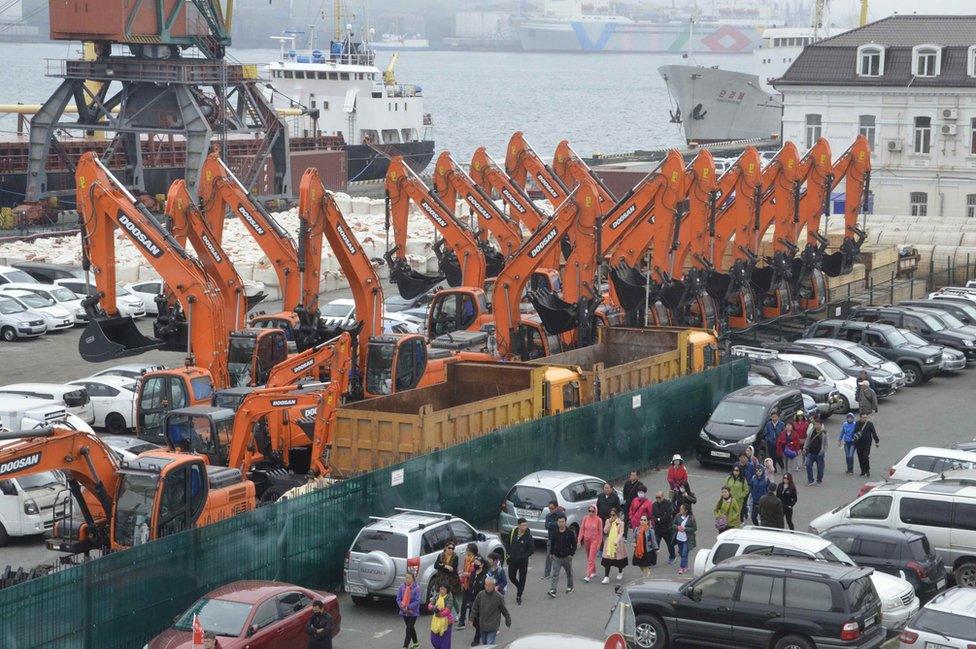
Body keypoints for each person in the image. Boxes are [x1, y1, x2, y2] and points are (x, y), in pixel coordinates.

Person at [470, 577, 511, 646]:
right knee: (485, 643)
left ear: (493, 585)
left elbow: (504, 610)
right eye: (486, 585)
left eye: (489, 585)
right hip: (483, 625)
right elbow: (475, 607)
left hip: (493, 626)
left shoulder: (498, 597)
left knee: (490, 644)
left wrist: (508, 620)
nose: (487, 587)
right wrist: (471, 618)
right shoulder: (480, 595)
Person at [547, 514, 577, 597]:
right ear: (557, 522)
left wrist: (571, 554)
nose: (561, 523)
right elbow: (552, 544)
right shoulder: (555, 532)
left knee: (569, 572)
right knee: (555, 574)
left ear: (565, 522)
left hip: (567, 556)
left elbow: (574, 545)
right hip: (556, 557)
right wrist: (551, 553)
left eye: (563, 522)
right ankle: (553, 590)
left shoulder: (570, 533)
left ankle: (570, 586)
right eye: (559, 522)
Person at [505, 519, 533, 605]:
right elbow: (507, 543)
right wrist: (508, 553)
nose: (525, 527)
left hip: (523, 562)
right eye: (523, 525)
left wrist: (524, 556)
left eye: (526, 525)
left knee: (522, 578)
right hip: (513, 560)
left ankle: (519, 596)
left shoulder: (528, 536)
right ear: (518, 525)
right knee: (511, 576)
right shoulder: (513, 532)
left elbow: (531, 550)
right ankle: (519, 587)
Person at [458, 556, 486, 636]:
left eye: (477, 563)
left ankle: (477, 637)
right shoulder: (473, 573)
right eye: (474, 563)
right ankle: (481, 629)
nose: (475, 564)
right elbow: (471, 586)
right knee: (472, 619)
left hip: (480, 600)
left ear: (481, 565)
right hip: (472, 599)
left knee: (477, 618)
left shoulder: (484, 575)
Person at [601, 507, 629, 583]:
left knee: (619, 559)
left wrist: (616, 541)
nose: (612, 516)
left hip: (618, 543)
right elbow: (605, 531)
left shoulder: (621, 523)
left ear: (617, 515)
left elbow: (621, 533)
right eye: (611, 515)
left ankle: (620, 571)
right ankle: (606, 577)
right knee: (607, 560)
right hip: (609, 542)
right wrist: (609, 523)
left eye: (614, 515)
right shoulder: (608, 521)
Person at [578, 505, 603, 582]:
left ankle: (588, 576)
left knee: (591, 558)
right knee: (589, 557)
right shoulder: (585, 518)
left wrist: (599, 544)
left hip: (594, 541)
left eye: (593, 511)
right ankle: (594, 571)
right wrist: (579, 540)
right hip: (586, 540)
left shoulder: (599, 520)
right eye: (589, 511)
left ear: (596, 511)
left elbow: (600, 533)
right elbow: (582, 529)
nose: (591, 513)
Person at [428, 584, 459, 649]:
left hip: (447, 622)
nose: (441, 591)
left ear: (447, 590)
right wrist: (434, 608)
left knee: (445, 643)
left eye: (444, 589)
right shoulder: (437, 596)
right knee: (434, 640)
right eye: (441, 588)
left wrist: (440, 614)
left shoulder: (449, 597)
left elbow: (448, 610)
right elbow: (430, 605)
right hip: (436, 621)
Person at [397, 571, 422, 649]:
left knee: (409, 629)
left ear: (413, 579)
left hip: (413, 612)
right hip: (404, 611)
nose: (407, 579)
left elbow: (417, 601)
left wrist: (408, 607)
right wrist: (402, 607)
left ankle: (405, 646)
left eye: (409, 578)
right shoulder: (402, 587)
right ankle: (416, 644)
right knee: (411, 628)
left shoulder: (416, 588)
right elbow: (398, 598)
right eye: (406, 578)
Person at [651, 491, 676, 565]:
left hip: (667, 529)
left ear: (663, 496)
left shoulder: (668, 504)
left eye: (659, 497)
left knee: (669, 545)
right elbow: (653, 515)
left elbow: (667, 516)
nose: (658, 499)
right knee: (655, 545)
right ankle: (653, 560)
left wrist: (658, 519)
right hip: (657, 529)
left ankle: (672, 557)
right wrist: (657, 519)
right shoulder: (654, 505)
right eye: (656, 497)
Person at [542, 500, 565, 579]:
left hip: (560, 539)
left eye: (552, 508)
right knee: (549, 557)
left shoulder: (561, 514)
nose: (550, 510)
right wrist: (555, 524)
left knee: (562, 557)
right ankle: (547, 574)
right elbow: (546, 526)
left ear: (556, 507)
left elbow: (562, 525)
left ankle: (567, 571)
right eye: (549, 508)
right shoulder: (548, 515)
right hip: (551, 539)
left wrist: (552, 524)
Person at [672, 503, 697, 575]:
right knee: (682, 553)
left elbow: (694, 528)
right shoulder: (677, 516)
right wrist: (677, 527)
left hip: (687, 539)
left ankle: (681, 567)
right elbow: (673, 525)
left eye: (681, 509)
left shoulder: (691, 518)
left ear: (686, 511)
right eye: (680, 509)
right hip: (679, 538)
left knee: (684, 554)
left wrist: (685, 529)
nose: (680, 510)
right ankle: (686, 566)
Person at [854, 412, 880, 477]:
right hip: (859, 444)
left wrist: (877, 441)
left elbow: (874, 433)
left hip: (867, 444)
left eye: (865, 417)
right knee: (860, 458)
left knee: (865, 457)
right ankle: (862, 471)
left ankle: (867, 470)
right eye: (863, 417)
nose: (864, 419)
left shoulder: (870, 424)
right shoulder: (857, 424)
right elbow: (854, 433)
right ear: (860, 418)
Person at [804, 418, 827, 485]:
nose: (816, 425)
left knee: (820, 467)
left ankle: (819, 480)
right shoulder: (811, 431)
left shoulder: (824, 433)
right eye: (815, 424)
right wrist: (805, 447)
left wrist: (823, 451)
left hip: (819, 453)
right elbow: (807, 439)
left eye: (818, 424)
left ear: (821, 425)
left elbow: (825, 443)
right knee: (808, 465)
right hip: (811, 452)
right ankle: (810, 480)